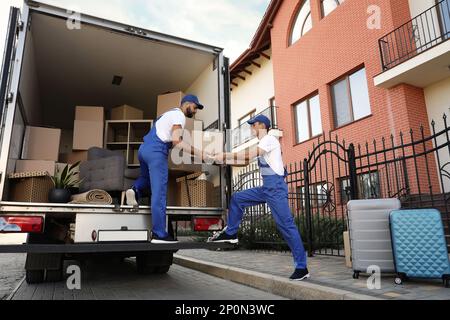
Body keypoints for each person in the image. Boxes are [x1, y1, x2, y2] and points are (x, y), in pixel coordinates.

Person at [208, 115, 310, 281]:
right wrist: (223, 159)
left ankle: (302, 267)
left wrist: (225, 155)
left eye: (252, 125)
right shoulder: (262, 144)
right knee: (238, 199)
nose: (251, 128)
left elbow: (249, 154)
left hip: (276, 189)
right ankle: (231, 233)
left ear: (262, 125)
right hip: (266, 189)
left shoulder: (269, 139)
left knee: (286, 226)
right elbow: (244, 161)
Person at [126, 94, 209, 244]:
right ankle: (159, 234)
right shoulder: (179, 116)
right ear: (187, 104)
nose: (195, 111)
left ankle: (135, 190)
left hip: (143, 150)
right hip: (156, 152)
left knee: (146, 179)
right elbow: (177, 141)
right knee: (159, 193)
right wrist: (200, 153)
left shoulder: (166, 114)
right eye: (195, 107)